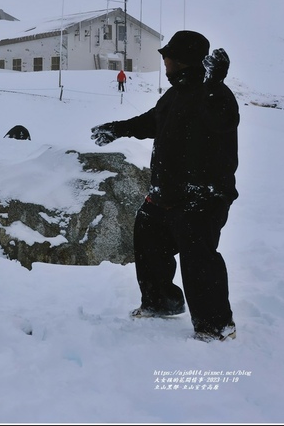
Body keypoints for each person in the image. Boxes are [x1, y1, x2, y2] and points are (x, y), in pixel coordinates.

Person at [90, 30, 239, 342]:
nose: (164, 61)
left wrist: (214, 84)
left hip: (202, 196)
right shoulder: (176, 94)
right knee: (148, 238)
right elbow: (153, 121)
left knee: (198, 258)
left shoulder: (215, 95)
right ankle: (162, 302)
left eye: (167, 56)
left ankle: (216, 326)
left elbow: (221, 121)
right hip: (166, 194)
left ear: (179, 60)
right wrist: (116, 129)